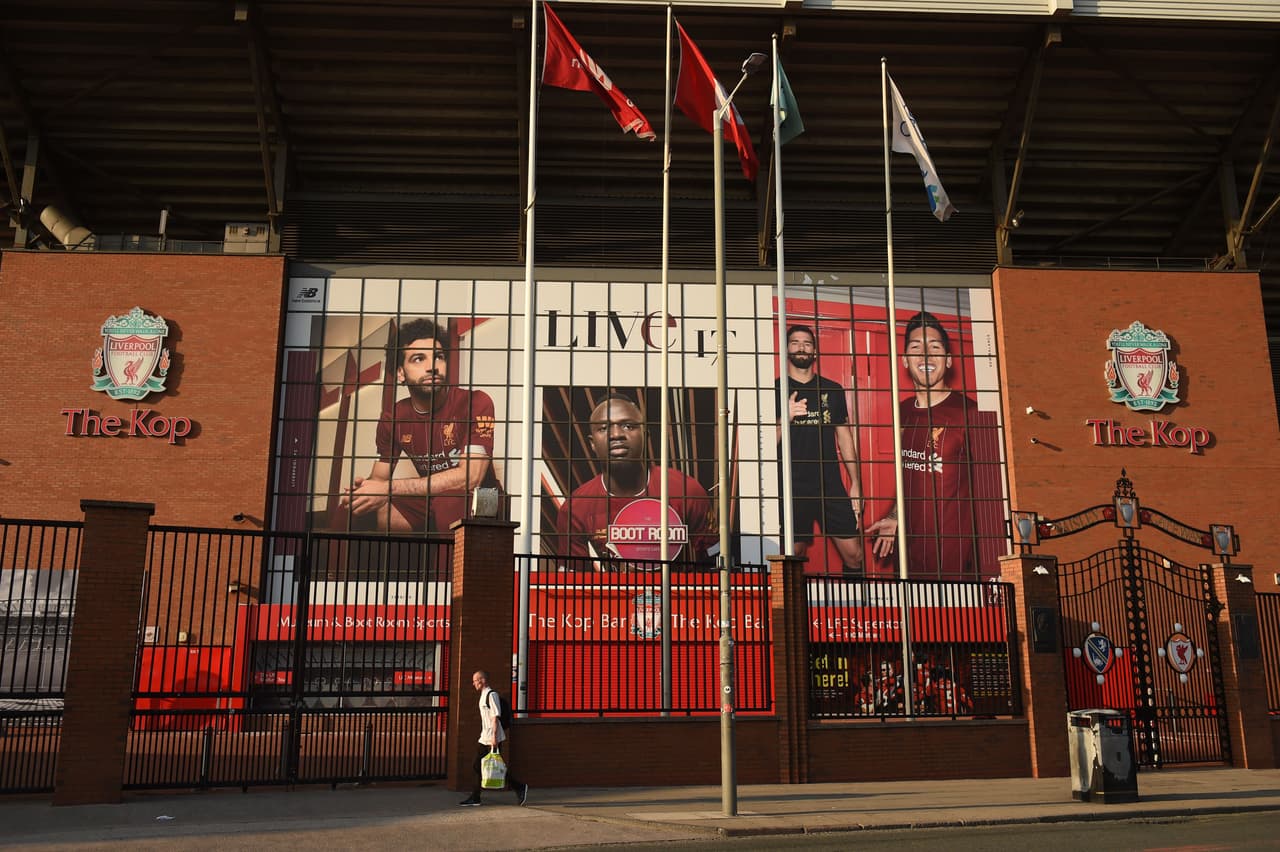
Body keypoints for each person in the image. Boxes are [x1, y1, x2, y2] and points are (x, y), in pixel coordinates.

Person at [339, 318, 501, 532]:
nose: (431, 367)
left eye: (439, 357)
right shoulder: (393, 418)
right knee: (355, 507)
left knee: (449, 501)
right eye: (418, 359)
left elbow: (470, 477)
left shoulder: (476, 402)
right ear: (400, 373)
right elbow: (379, 478)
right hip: (430, 497)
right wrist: (364, 490)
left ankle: (450, 566)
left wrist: (388, 488)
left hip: (481, 496)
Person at [865, 311, 984, 579]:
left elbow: (993, 495)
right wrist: (895, 515)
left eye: (935, 347)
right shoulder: (904, 411)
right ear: (906, 361)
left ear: (949, 360)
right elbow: (910, 474)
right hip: (909, 554)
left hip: (955, 561)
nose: (926, 355)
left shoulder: (973, 414)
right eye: (916, 348)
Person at [555, 393, 716, 566]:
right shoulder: (576, 508)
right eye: (603, 428)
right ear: (592, 443)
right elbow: (572, 583)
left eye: (628, 426)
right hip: (613, 593)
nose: (616, 435)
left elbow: (716, 559)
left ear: (645, 435)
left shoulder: (685, 490)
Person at [776, 325, 864, 575]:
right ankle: (792, 614)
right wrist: (786, 417)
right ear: (786, 349)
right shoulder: (775, 389)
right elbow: (762, 444)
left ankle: (857, 612)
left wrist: (856, 483)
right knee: (792, 556)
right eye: (795, 342)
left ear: (815, 350)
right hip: (791, 485)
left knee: (855, 555)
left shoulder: (833, 389)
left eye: (807, 343)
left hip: (829, 484)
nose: (801, 347)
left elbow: (844, 438)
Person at [460, 670, 527, 807]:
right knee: (483, 766)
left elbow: (495, 717)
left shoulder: (492, 695)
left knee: (491, 766)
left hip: (492, 738)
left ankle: (518, 787)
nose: (473, 683)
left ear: (483, 680)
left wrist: (494, 739)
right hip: (485, 737)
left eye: (475, 680)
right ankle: (477, 796)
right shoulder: (483, 695)